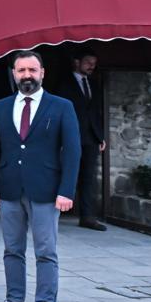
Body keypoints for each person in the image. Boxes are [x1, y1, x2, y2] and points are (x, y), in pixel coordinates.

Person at [0, 50, 80, 302]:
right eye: (21, 70)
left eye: (32, 70)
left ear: (42, 73)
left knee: (46, 251)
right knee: (12, 249)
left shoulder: (61, 106)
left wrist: (67, 191)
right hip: (9, 189)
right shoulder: (1, 107)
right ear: (14, 74)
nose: (27, 75)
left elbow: (72, 152)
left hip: (47, 191)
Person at [56, 50, 107, 231]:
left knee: (88, 177)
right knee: (64, 173)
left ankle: (87, 216)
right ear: (76, 62)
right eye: (88, 62)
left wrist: (100, 136)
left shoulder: (94, 83)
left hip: (91, 138)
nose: (91, 66)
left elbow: (96, 112)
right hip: (70, 137)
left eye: (94, 62)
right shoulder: (63, 84)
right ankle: (54, 212)